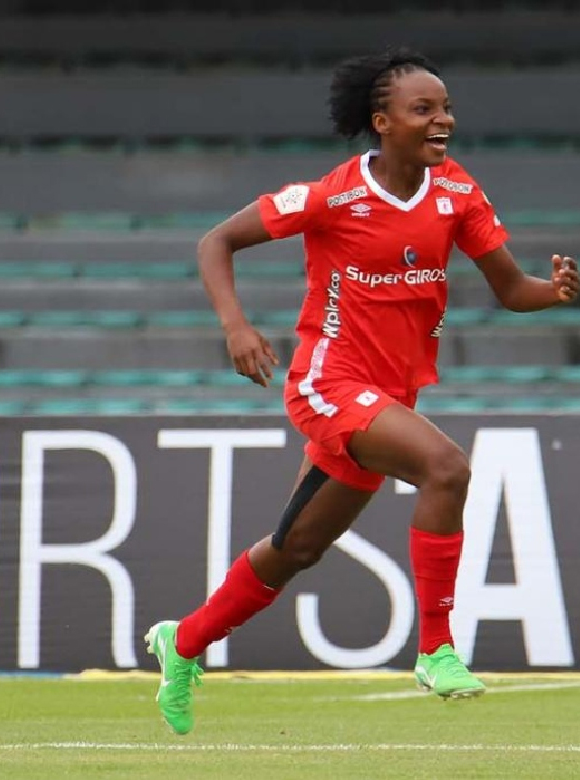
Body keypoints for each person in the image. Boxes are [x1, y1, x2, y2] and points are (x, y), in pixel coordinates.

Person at [145, 49, 580, 735]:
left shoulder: (457, 194)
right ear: (383, 122)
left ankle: (185, 641)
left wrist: (554, 293)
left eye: (445, 108)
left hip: (389, 397)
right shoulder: (331, 196)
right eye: (425, 110)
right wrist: (236, 328)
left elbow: (509, 289)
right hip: (328, 383)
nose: (444, 120)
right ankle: (436, 649)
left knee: (296, 549)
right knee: (448, 469)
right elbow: (215, 241)